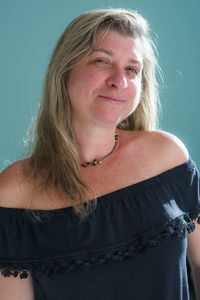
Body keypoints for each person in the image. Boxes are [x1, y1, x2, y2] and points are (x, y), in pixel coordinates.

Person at [0, 8, 199, 300]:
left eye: (132, 69)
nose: (119, 80)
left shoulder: (167, 156)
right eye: (102, 61)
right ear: (65, 69)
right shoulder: (14, 191)